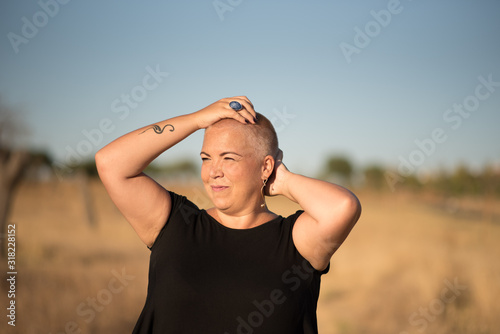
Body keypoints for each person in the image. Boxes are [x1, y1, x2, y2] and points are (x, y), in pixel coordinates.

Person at [95, 96, 361, 334]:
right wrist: (196, 120)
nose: (213, 172)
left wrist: (281, 180)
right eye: (206, 158)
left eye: (228, 158)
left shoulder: (294, 243)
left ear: (266, 165)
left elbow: (343, 207)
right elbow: (111, 163)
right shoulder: (175, 224)